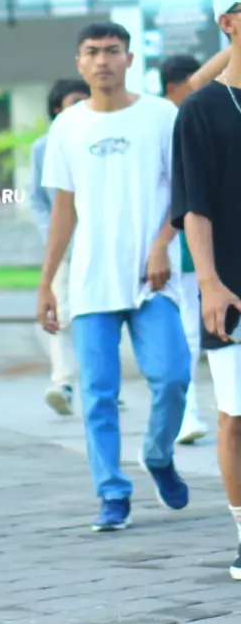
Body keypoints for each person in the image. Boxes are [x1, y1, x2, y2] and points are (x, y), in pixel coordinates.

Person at [38, 20, 191, 532]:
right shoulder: (67, 127)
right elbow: (63, 210)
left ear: (129, 58)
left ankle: (158, 455)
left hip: (153, 279)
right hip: (90, 282)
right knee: (98, 395)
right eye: (92, 52)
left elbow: (183, 192)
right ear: (79, 62)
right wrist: (46, 282)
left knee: (173, 377)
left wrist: (161, 245)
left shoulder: (161, 116)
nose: (102, 60)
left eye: (112, 50)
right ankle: (111, 492)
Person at [171, 0, 241, 579]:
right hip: (232, 285)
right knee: (236, 417)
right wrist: (210, 283)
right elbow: (195, 207)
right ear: (228, 22)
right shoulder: (201, 110)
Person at [29, 78, 90, 415]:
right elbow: (38, 200)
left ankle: (100, 384)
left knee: (99, 314)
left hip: (97, 244)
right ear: (57, 109)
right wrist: (52, 235)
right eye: (73, 102)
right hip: (63, 248)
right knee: (61, 314)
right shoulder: (43, 147)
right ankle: (63, 382)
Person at [160, 55, 210, 444]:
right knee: (187, 332)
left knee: (193, 332)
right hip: (176, 245)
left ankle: (187, 412)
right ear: (174, 88)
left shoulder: (200, 117)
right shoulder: (165, 121)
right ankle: (186, 412)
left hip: (203, 241)